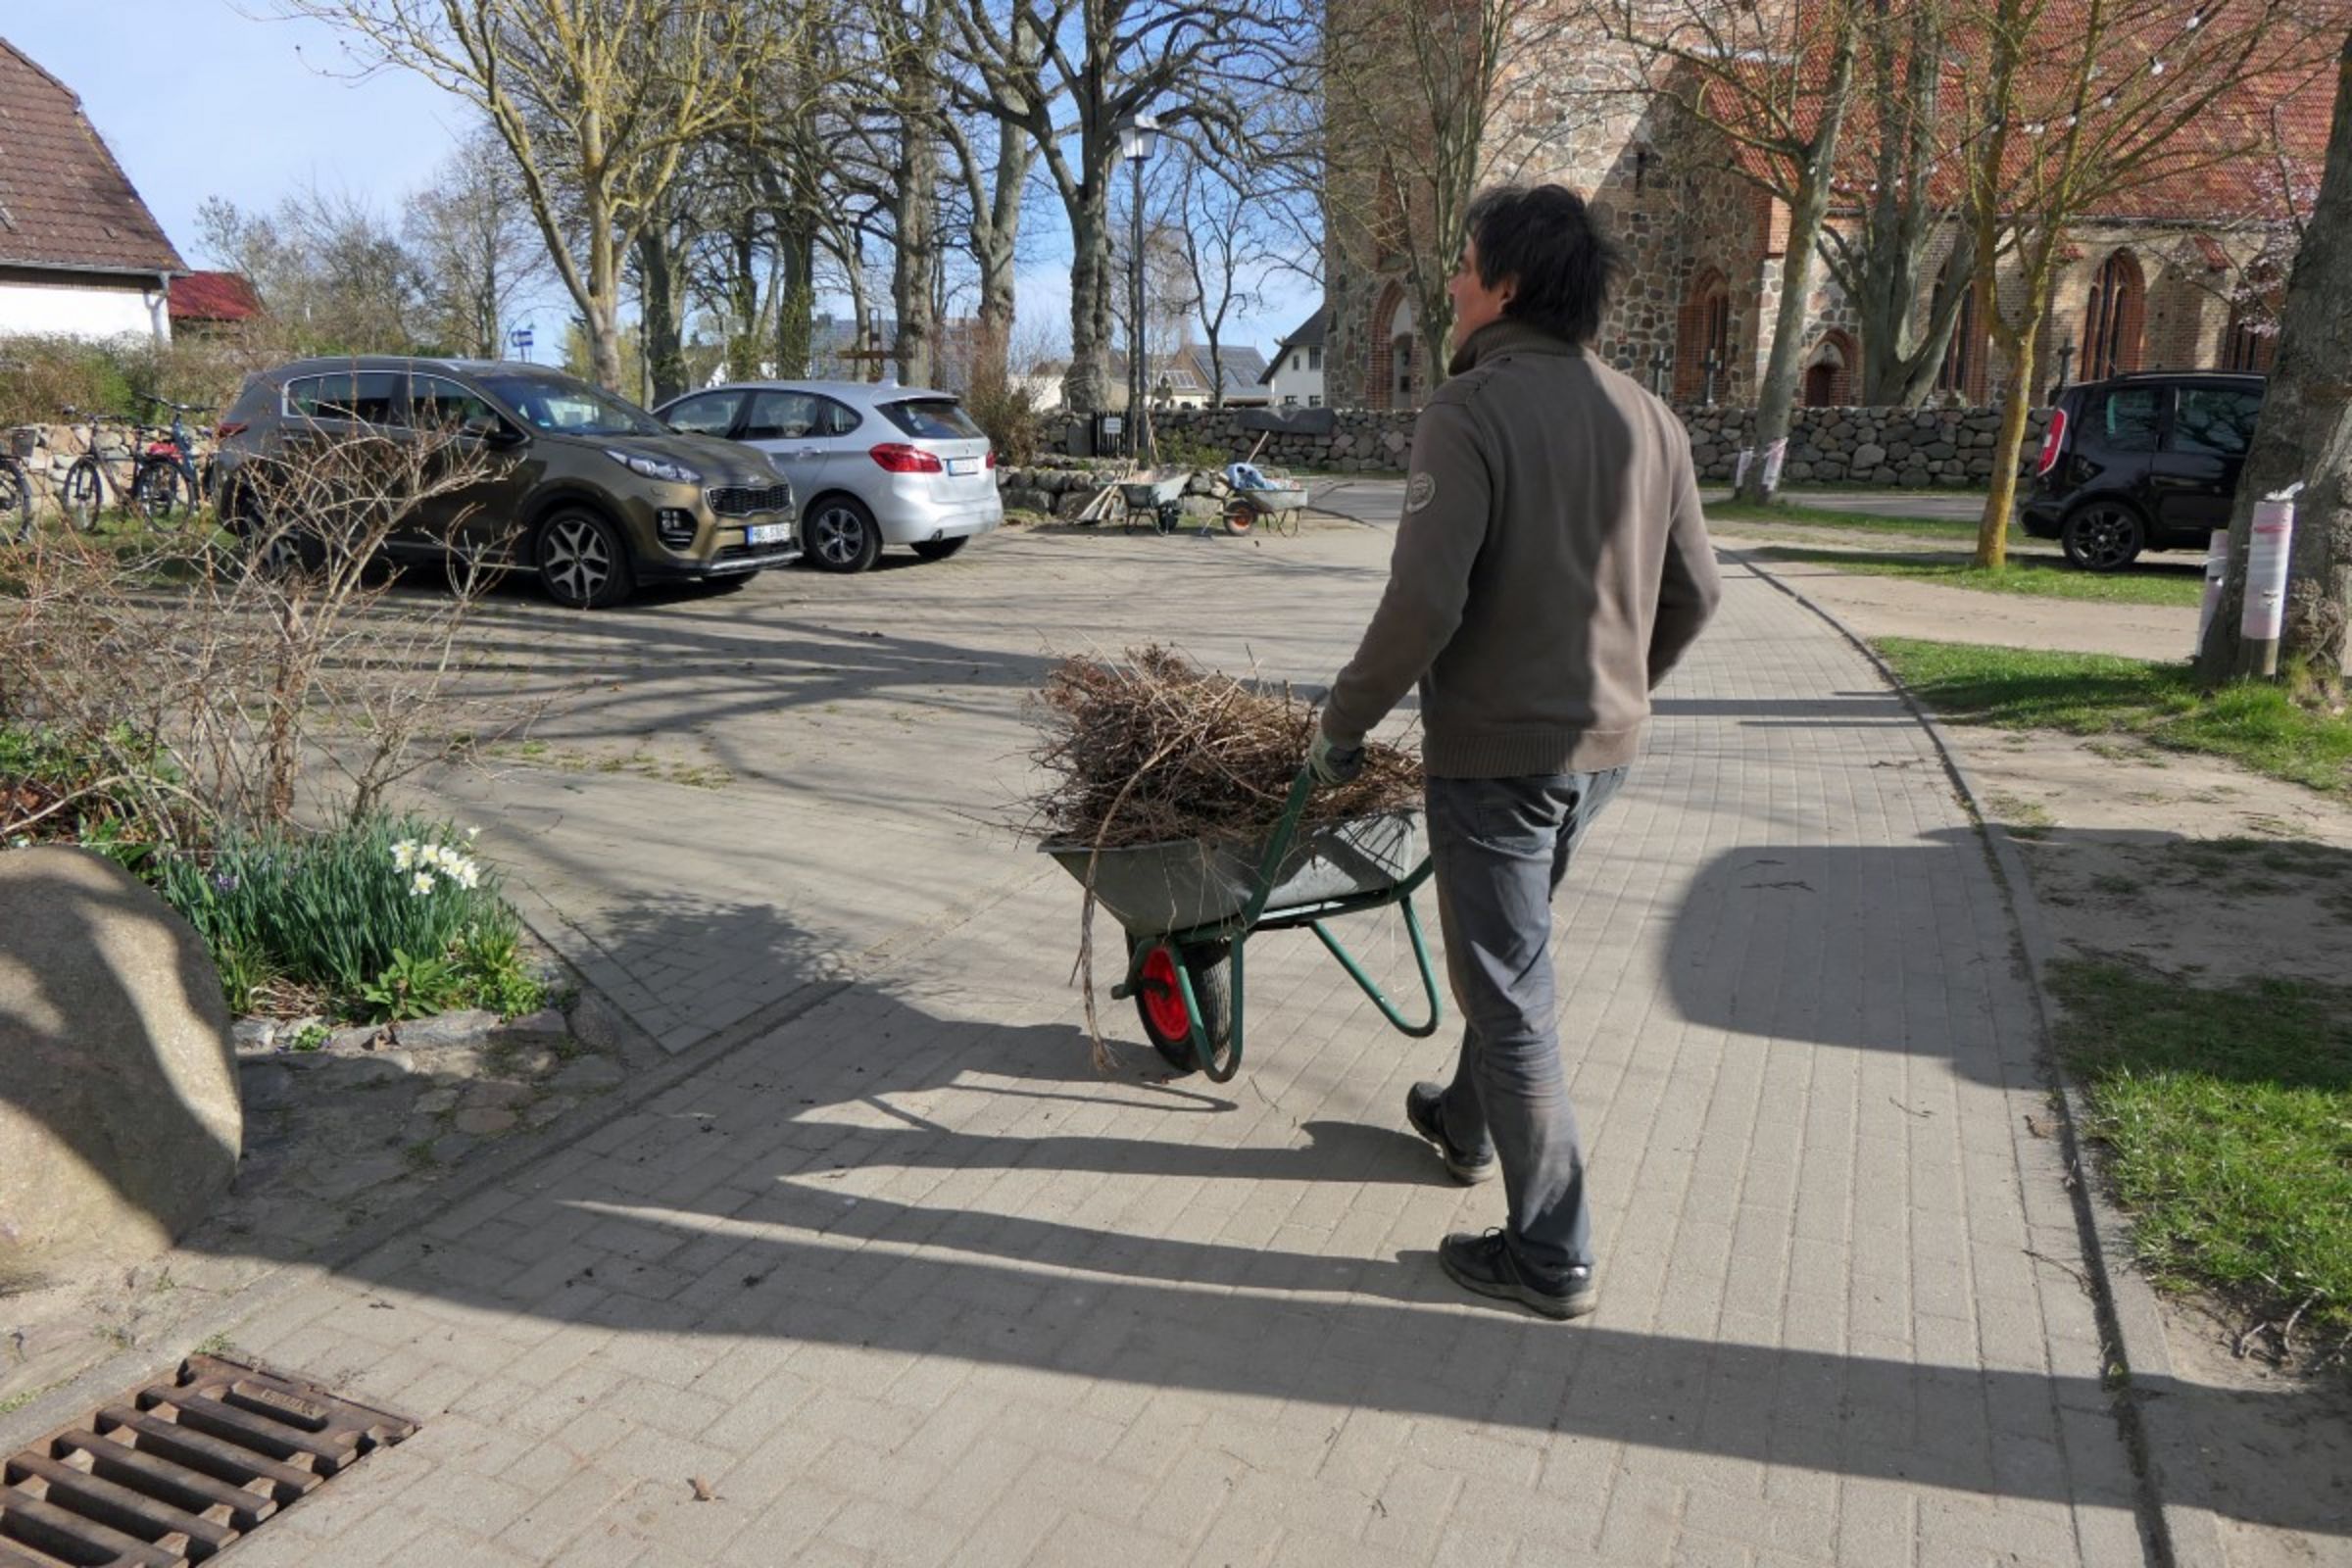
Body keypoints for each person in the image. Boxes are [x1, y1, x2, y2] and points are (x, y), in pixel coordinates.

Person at [1307, 184, 1721, 1320]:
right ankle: (1463, 1119)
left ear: (1506, 284)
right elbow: (1697, 592)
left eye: (1465, 263)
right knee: (1512, 959)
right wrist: (1619, 690)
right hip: (1601, 755)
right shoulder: (1652, 416)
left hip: (1498, 760)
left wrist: (1343, 722)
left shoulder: (1471, 407)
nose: (1450, 282)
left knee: (1510, 988)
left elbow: (1423, 602)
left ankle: (1551, 1249)